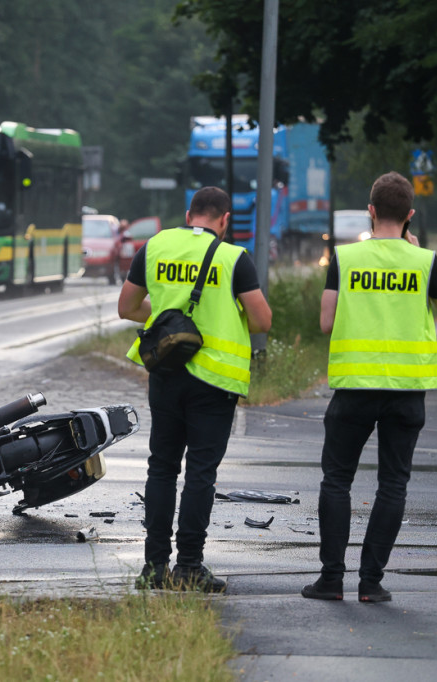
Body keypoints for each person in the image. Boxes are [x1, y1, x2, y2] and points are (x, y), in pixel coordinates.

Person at [303, 172, 437, 604]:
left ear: (370, 211)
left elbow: (326, 323)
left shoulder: (345, 258)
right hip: (407, 390)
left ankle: (331, 579)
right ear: (410, 215)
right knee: (393, 484)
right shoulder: (424, 261)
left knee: (337, 480)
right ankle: (371, 583)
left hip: (353, 387)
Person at [118, 186, 272, 593]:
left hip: (165, 372)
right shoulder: (234, 258)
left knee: (162, 467)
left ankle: (153, 568)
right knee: (200, 472)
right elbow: (262, 321)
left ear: (189, 215)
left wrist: (169, 317)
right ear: (224, 220)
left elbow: (128, 308)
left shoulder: (154, 247)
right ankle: (189, 567)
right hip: (214, 382)